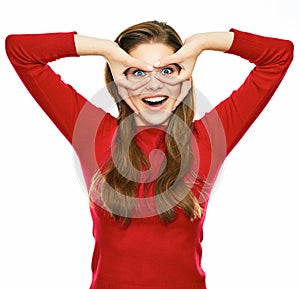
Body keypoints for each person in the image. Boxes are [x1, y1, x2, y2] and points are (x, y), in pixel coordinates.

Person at [5, 20, 293, 289]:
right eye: (138, 72)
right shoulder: (95, 133)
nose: (154, 84)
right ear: (119, 80)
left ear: (185, 77)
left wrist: (203, 42)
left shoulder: (208, 139)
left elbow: (279, 56)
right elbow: (21, 51)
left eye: (167, 71)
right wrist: (106, 49)